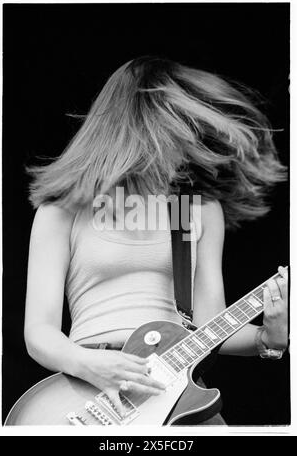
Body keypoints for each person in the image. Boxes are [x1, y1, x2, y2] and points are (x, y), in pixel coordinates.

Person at [24, 56, 288, 424]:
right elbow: (38, 330)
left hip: (174, 394)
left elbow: (212, 325)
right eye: (178, 126)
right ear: (141, 127)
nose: (189, 140)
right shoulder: (65, 207)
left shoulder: (194, 209)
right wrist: (90, 364)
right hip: (87, 393)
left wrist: (267, 340)